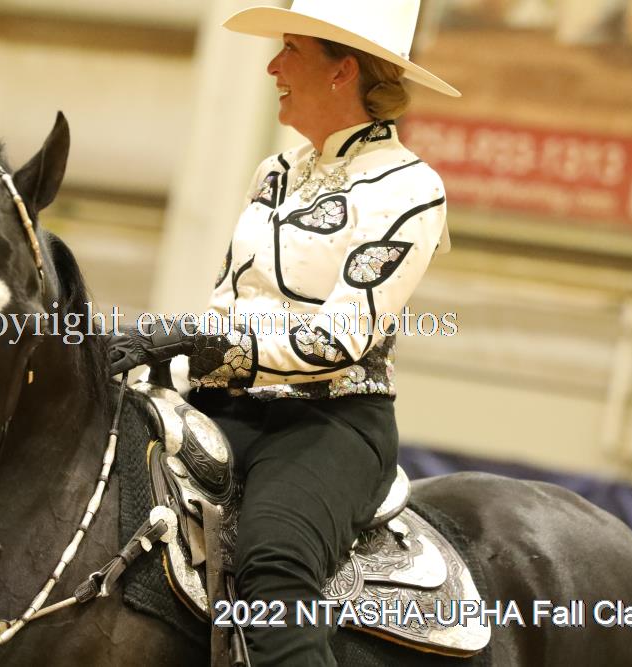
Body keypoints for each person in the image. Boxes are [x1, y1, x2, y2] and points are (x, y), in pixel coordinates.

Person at [108, 1, 459, 664]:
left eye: (291, 49)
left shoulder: (410, 189)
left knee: (274, 564)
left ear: (342, 70)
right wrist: (153, 359)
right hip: (225, 406)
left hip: (329, 422)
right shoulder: (275, 173)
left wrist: (195, 342)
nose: (273, 66)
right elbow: (227, 306)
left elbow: (338, 341)